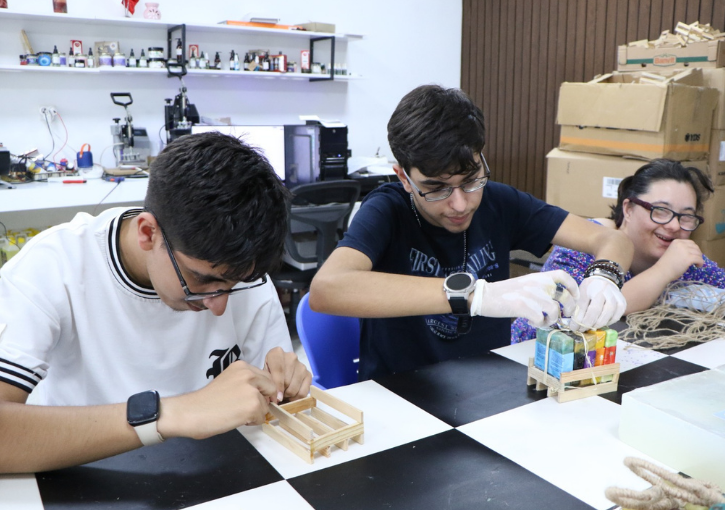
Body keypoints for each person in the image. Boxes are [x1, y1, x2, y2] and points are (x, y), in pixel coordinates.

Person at [0, 132, 312, 473]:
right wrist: (170, 413)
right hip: (87, 476)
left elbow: (270, 407)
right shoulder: (54, 266)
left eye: (233, 286)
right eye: (201, 281)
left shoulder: (240, 272)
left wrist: (283, 388)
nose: (218, 306)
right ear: (147, 233)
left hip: (215, 472)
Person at [309, 84, 634, 380]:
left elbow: (611, 239)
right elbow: (327, 289)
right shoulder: (387, 210)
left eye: (471, 180)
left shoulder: (499, 202)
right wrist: (477, 295)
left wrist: (605, 276)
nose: (460, 204)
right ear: (404, 178)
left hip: (489, 384)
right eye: (436, 188)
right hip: (403, 391)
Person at [512, 159, 725, 342]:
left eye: (686, 217)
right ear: (628, 209)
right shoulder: (587, 243)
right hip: (529, 363)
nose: (674, 226)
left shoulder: (681, 255)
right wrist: (664, 271)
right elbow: (579, 315)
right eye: (660, 211)